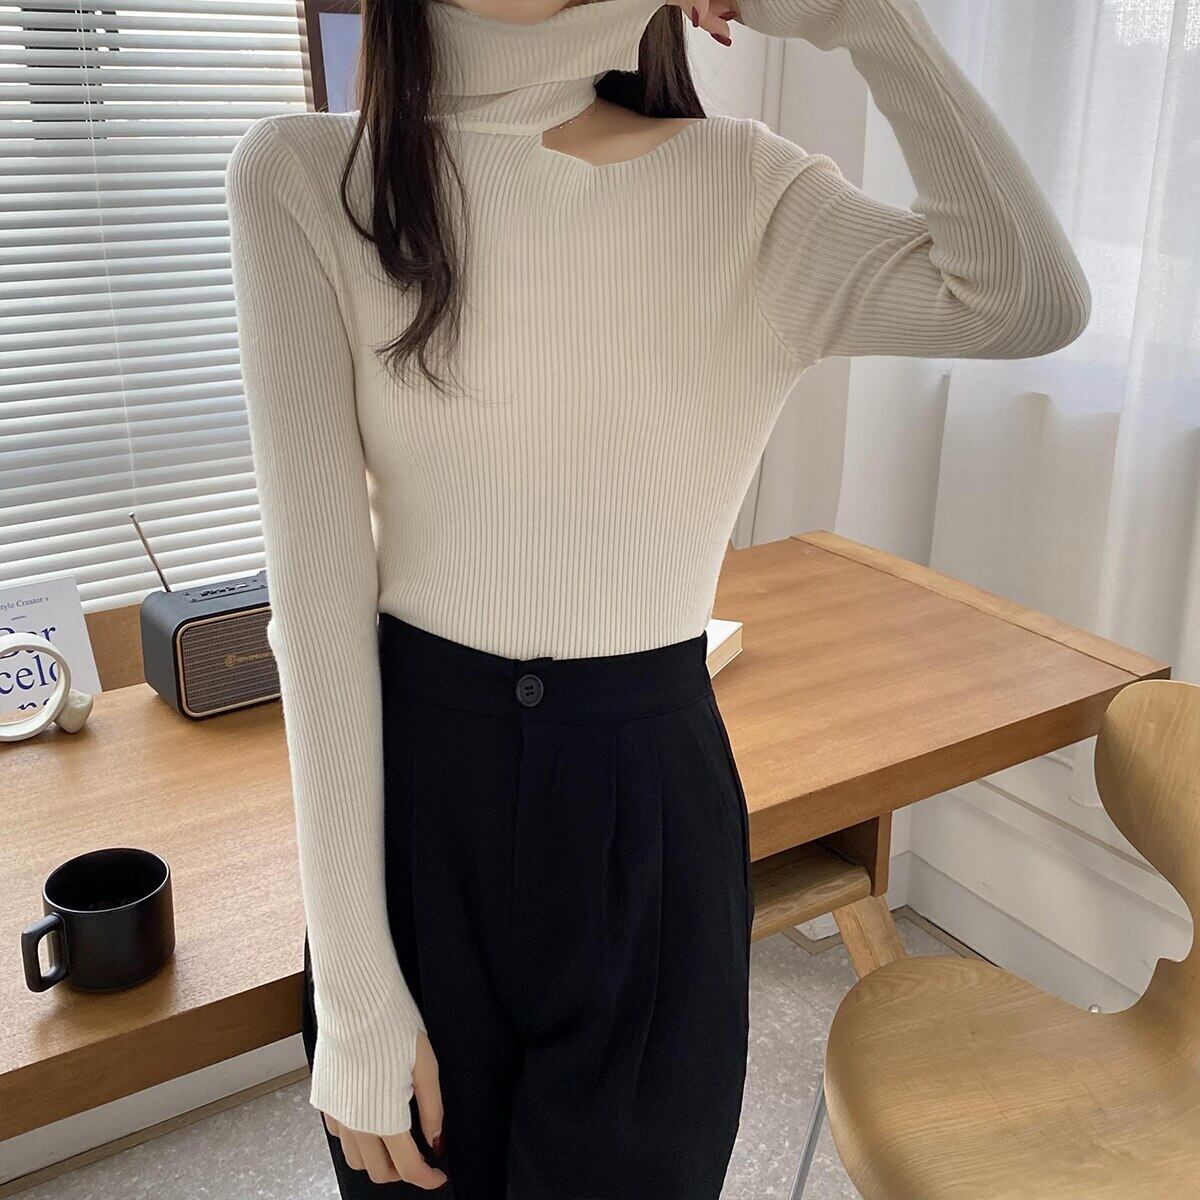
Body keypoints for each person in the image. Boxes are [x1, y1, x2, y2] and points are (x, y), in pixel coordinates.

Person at [225, 0, 1090, 1195]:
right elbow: (319, 613)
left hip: (650, 817)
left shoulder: (751, 193)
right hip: (418, 808)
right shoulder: (310, 177)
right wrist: (357, 990)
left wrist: (863, 20)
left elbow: (1028, 298)